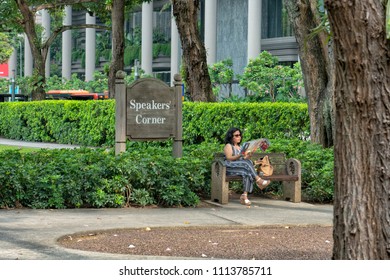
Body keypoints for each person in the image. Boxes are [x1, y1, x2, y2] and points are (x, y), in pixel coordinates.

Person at [223, 127, 270, 206]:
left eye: (240, 135)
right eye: (236, 135)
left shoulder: (241, 147)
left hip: (240, 167)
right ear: (231, 136)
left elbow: (244, 159)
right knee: (247, 163)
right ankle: (258, 180)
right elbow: (229, 158)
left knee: (247, 172)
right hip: (230, 167)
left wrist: (249, 154)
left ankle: (244, 196)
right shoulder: (228, 146)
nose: (239, 137)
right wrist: (240, 155)